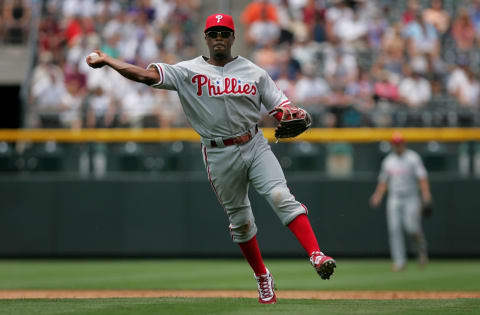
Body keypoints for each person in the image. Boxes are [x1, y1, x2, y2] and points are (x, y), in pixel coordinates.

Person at [86, 13, 336, 304]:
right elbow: (146, 75)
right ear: (206, 38)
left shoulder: (254, 72)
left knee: (281, 197)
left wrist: (291, 113)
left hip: (254, 144)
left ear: (233, 37)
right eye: (213, 33)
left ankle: (316, 255)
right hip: (218, 153)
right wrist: (108, 61)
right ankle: (262, 277)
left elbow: (282, 107)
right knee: (241, 222)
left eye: (224, 33)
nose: (219, 37)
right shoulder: (187, 71)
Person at [370, 132, 432, 272]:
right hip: (395, 197)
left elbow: (422, 178)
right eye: (396, 143)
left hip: (411, 197)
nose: (398, 145)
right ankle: (399, 261)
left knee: (412, 228)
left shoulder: (413, 158)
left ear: (404, 143)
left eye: (400, 143)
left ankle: (421, 250)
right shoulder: (389, 161)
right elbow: (383, 181)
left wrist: (426, 195)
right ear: (393, 144)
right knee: (394, 229)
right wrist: (378, 195)